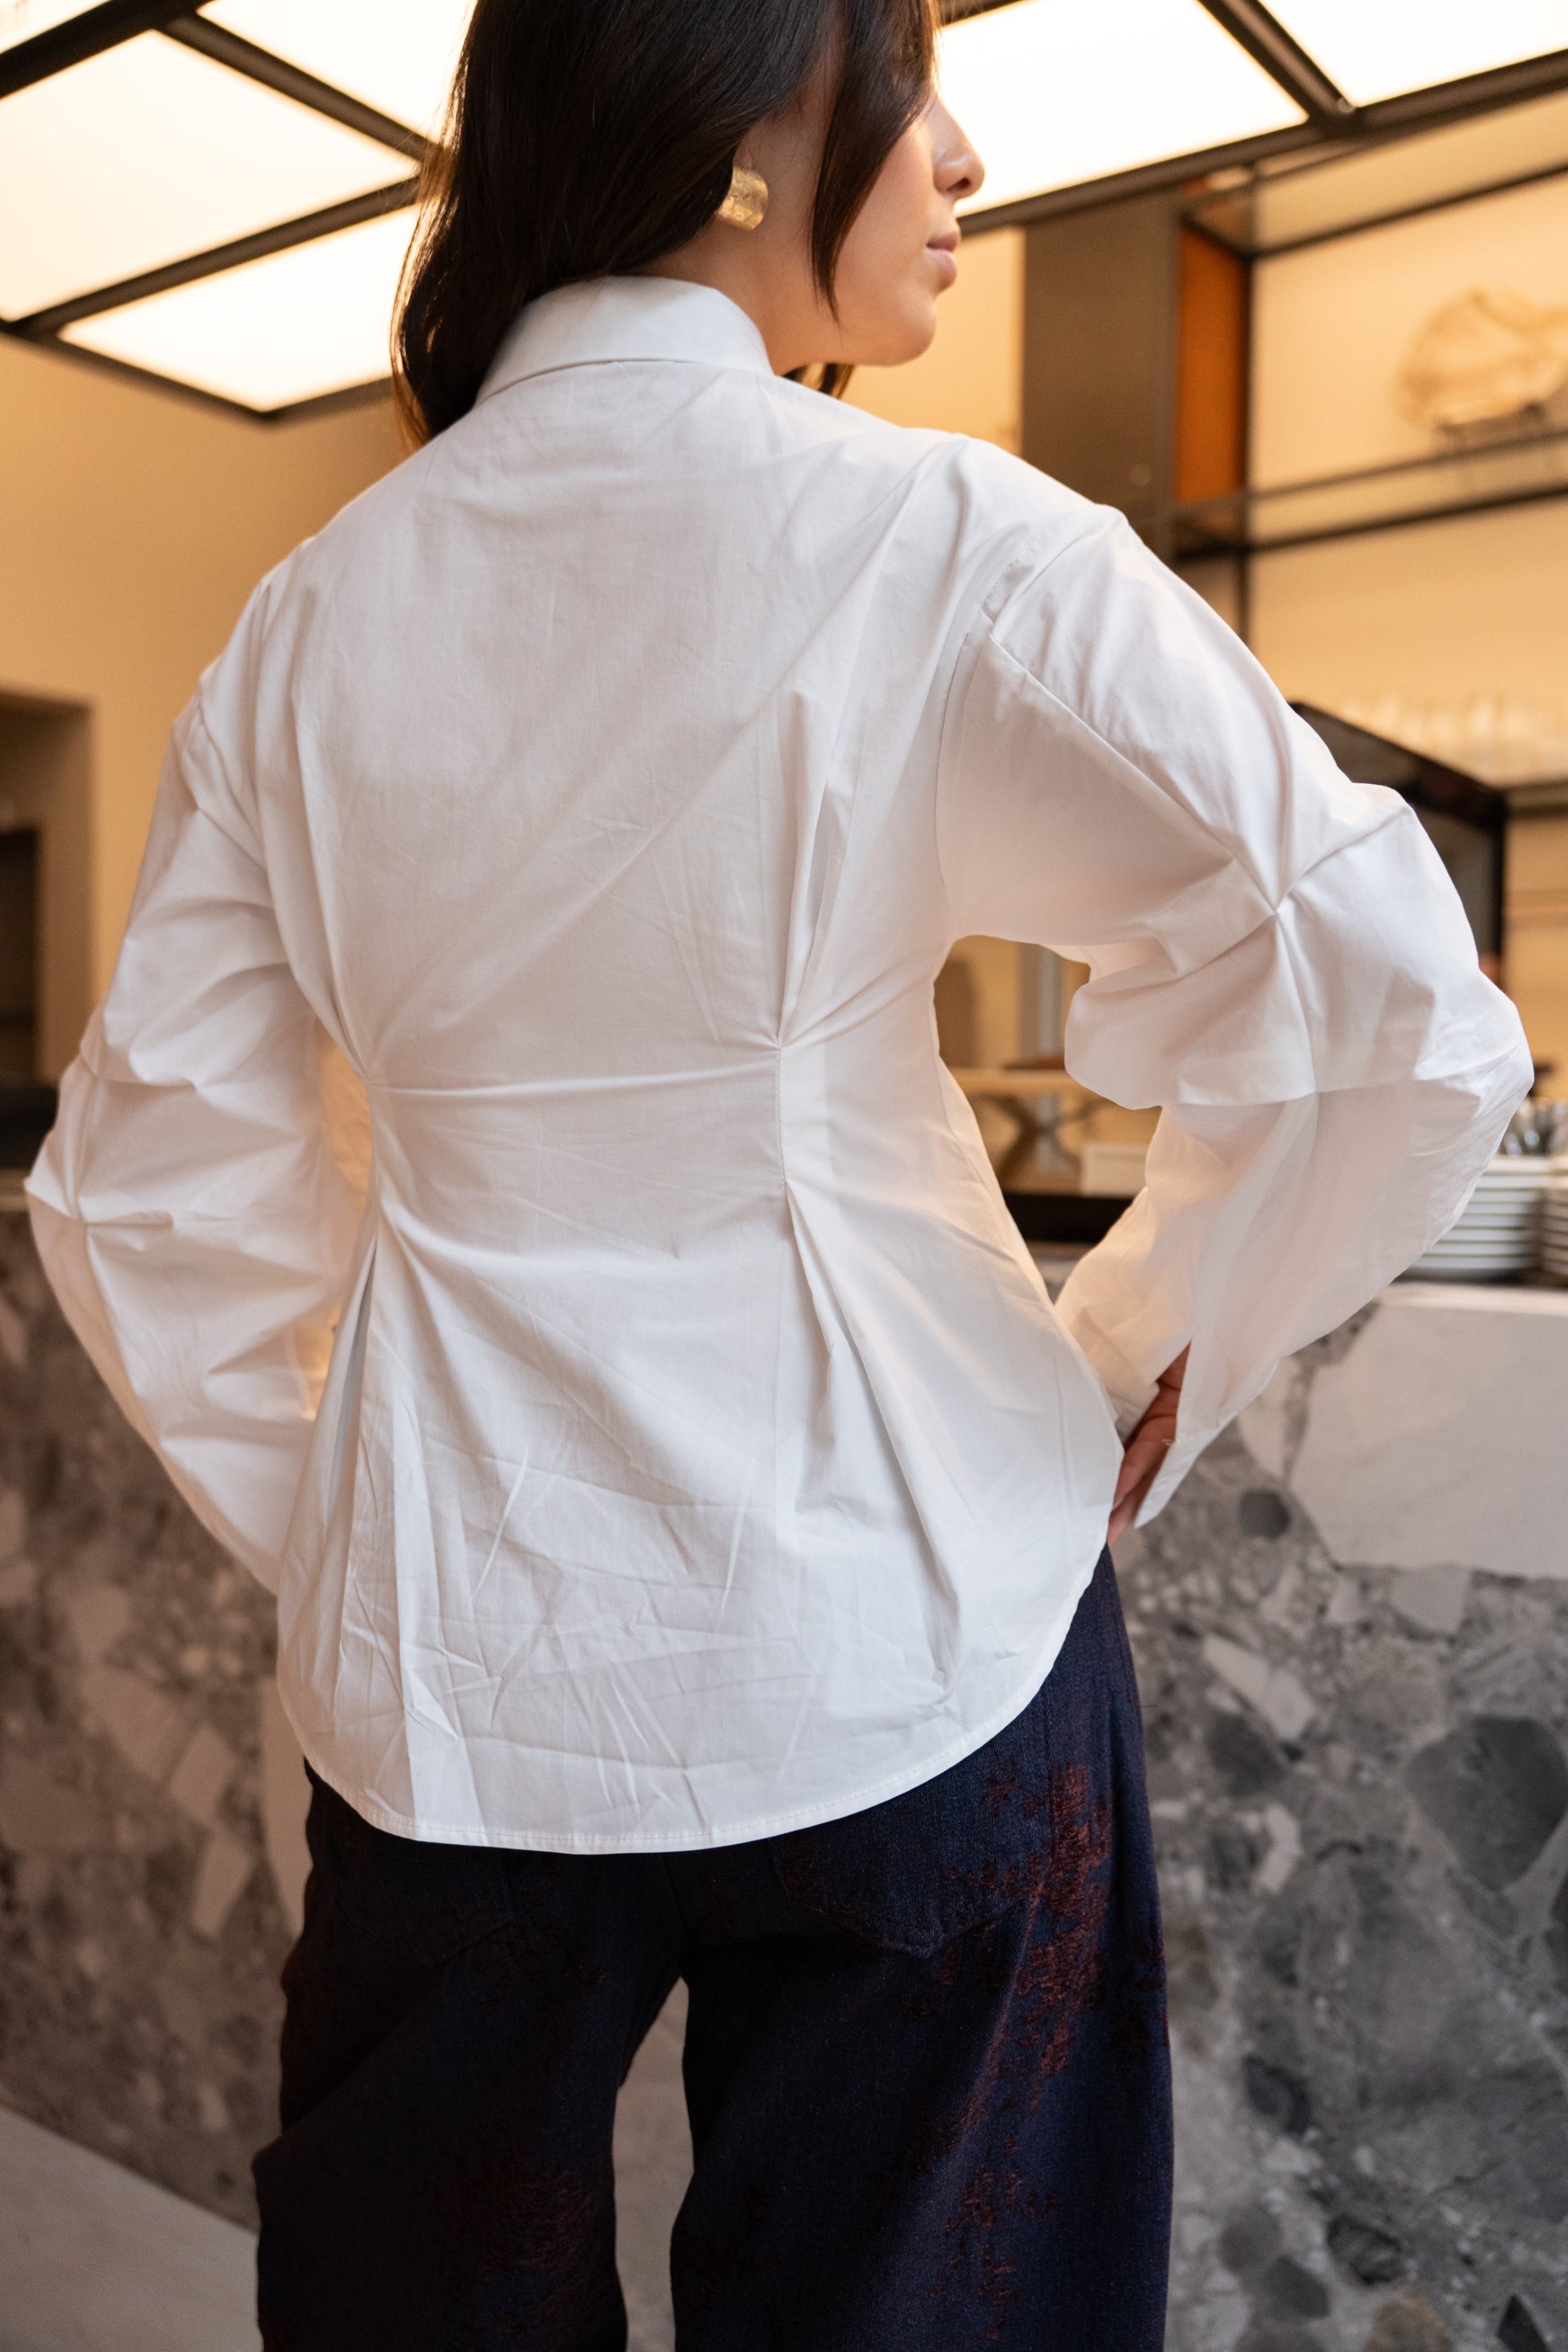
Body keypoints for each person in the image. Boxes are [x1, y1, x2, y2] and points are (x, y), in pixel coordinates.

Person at [28, 0, 1529, 2344]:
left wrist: (370, 1527)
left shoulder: (299, 627)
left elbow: (143, 1200)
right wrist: (1129, 1349)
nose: (964, 153)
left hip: (458, 1684)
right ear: (741, 128)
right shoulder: (943, 539)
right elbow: (1391, 1002)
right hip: (921, 1616)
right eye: (906, 76)